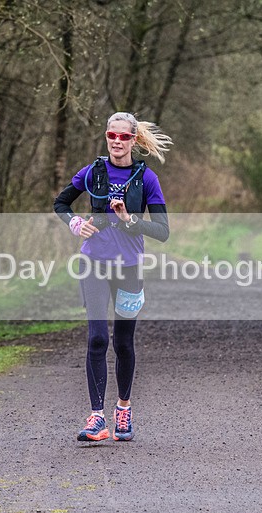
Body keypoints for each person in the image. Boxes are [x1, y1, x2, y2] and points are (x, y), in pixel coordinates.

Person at [53, 112, 172, 442]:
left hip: (129, 269)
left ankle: (123, 409)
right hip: (93, 264)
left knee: (122, 343)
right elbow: (60, 203)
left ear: (134, 140)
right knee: (97, 339)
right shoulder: (93, 172)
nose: (117, 142)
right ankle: (96, 418)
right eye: (111, 135)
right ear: (106, 137)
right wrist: (75, 224)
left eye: (123, 137)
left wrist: (130, 220)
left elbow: (162, 232)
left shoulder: (146, 179)